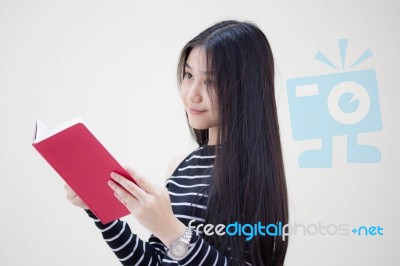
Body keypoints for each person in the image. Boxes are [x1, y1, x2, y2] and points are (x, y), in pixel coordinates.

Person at [65, 20, 289, 266]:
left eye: (210, 81)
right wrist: (99, 210)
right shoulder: (180, 166)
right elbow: (156, 262)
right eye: (189, 75)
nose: (192, 94)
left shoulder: (253, 175)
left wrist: (169, 228)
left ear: (245, 88)